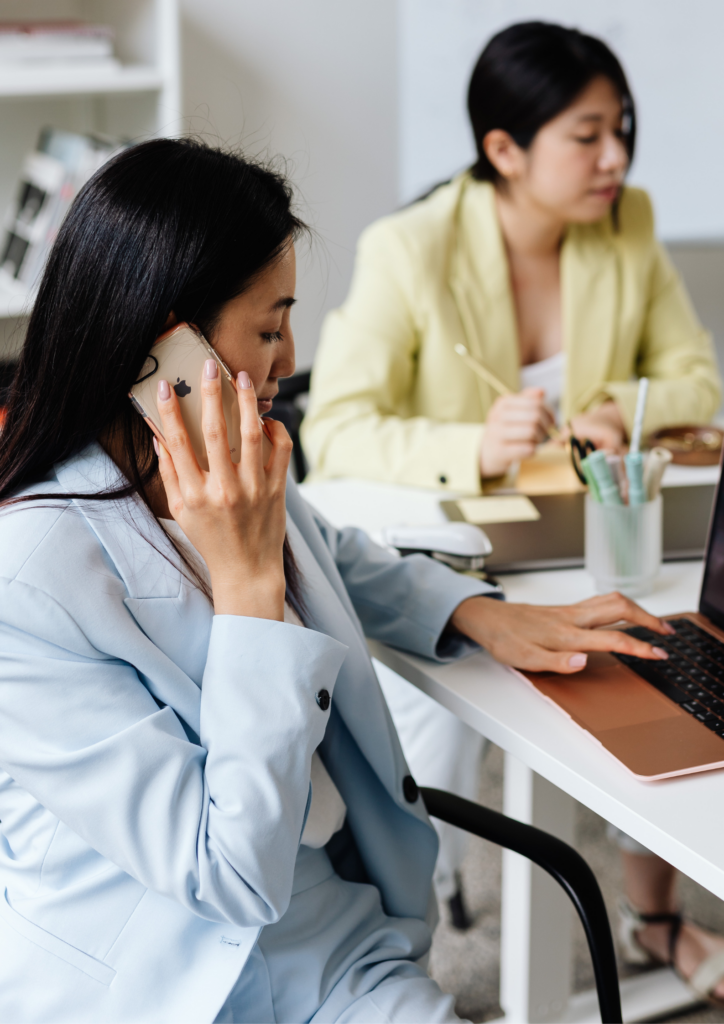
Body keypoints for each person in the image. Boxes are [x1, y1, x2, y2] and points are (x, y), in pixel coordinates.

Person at [0, 137, 676, 1023]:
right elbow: (225, 872)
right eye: (270, 328)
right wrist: (246, 590)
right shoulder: (29, 580)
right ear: (161, 348)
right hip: (162, 985)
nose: (288, 362)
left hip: (336, 949)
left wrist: (474, 612)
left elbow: (334, 552)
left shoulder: (227, 473)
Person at [302, 22, 724, 999]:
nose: (614, 156)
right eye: (586, 135)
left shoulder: (627, 223)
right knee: (432, 741)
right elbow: (337, 426)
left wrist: (625, 403)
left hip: (589, 538)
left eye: (620, 128)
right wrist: (468, 445)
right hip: (453, 562)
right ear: (503, 149)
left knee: (658, 668)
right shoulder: (408, 248)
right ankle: (401, 942)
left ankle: (652, 918)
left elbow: (695, 372)